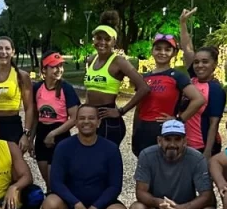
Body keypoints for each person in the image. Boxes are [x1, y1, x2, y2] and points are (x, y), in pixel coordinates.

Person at [40, 105, 129, 209]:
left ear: (98, 122)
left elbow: (115, 186)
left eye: (91, 118)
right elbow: (56, 182)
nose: (86, 122)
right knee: (49, 205)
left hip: (100, 205)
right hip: (70, 204)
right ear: (75, 122)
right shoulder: (64, 147)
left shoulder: (111, 149)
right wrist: (76, 203)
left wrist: (95, 207)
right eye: (82, 118)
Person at [129, 120, 217, 209]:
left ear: (185, 141)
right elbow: (140, 192)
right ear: (159, 140)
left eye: (177, 139)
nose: (172, 144)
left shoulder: (197, 159)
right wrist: (159, 202)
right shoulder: (146, 155)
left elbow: (206, 195)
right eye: (167, 139)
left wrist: (182, 208)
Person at [177, 8, 227, 209]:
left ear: (215, 64)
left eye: (205, 62)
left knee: (205, 187)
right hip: (185, 143)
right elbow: (187, 49)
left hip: (203, 144)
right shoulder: (191, 80)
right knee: (188, 186)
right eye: (197, 62)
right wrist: (183, 24)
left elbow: (214, 122)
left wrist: (208, 151)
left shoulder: (216, 89)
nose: (199, 65)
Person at [130, 33, 205, 158]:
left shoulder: (177, 76)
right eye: (158, 49)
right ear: (152, 51)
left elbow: (198, 99)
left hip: (165, 130)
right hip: (143, 129)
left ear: (174, 53)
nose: (162, 52)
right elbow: (139, 107)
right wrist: (134, 131)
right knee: (145, 167)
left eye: (167, 49)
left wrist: (179, 119)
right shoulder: (144, 77)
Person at [83, 12, 150, 145]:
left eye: (107, 39)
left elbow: (144, 88)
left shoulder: (119, 62)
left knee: (108, 161)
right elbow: (90, 90)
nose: (102, 42)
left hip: (109, 120)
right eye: (98, 38)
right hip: (92, 118)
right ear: (94, 40)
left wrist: (121, 111)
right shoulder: (91, 59)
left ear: (114, 41)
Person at [29, 51, 81, 189]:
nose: (59, 70)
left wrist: (53, 134)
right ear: (44, 69)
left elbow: (74, 118)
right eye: (54, 66)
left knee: (56, 182)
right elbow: (35, 116)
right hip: (41, 134)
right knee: (48, 183)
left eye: (61, 66)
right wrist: (31, 139)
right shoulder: (37, 88)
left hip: (60, 135)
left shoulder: (66, 88)